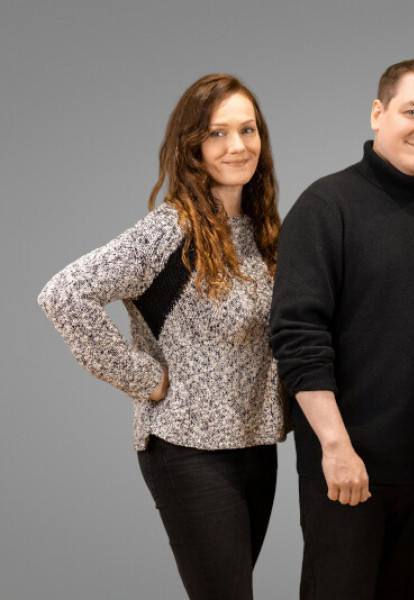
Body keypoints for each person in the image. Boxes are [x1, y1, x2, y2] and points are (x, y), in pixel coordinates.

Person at [38, 74, 289, 600]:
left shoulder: (265, 231)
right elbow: (64, 294)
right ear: (192, 146)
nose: (238, 145)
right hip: (187, 448)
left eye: (248, 130)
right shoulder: (171, 230)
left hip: (254, 446)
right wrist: (146, 380)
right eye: (218, 133)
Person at [269, 59, 414, 600]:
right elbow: (296, 336)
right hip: (346, 467)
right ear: (378, 113)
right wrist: (335, 448)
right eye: (413, 112)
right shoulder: (324, 206)